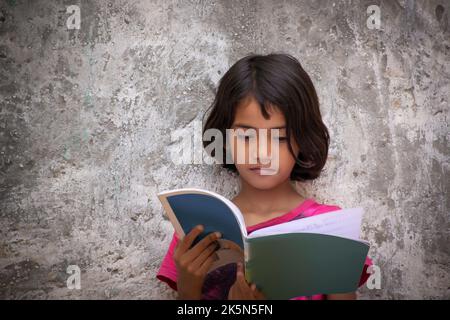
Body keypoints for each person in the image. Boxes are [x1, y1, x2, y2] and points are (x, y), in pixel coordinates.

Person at [156, 53, 372, 300]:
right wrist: (188, 287)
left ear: (302, 139)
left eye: (279, 137)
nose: (261, 154)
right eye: (246, 136)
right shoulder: (195, 230)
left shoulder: (330, 229)